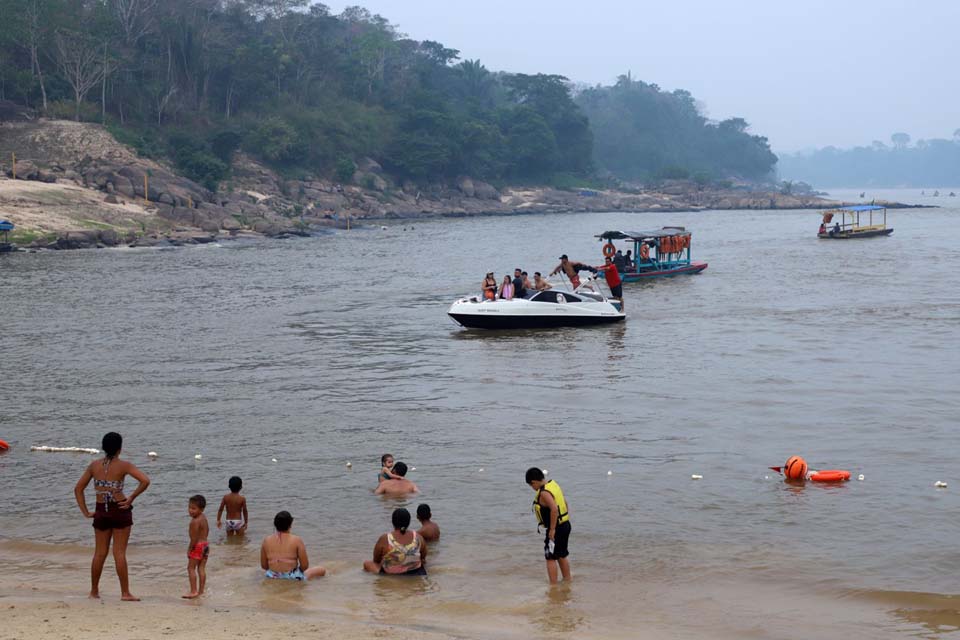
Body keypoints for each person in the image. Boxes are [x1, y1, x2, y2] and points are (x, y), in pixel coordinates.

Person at [74, 432, 150, 601]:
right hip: (120, 508)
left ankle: (94, 591)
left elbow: (78, 489)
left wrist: (85, 512)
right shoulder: (124, 465)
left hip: (101, 510)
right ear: (119, 449)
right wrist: (131, 497)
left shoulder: (94, 466)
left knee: (99, 553)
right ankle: (125, 593)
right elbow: (145, 480)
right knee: (119, 553)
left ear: (103, 447)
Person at [525, 468, 571, 585]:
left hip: (556, 529)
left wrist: (552, 529)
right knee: (561, 554)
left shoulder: (544, 493)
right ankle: (567, 580)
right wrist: (564, 519)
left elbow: (554, 509)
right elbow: (564, 502)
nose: (532, 488)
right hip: (565, 525)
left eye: (531, 485)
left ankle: (553, 586)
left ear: (534, 482)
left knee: (550, 557)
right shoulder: (553, 484)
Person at [260, 511, 326, 581]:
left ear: (275, 525)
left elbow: (264, 566)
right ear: (290, 524)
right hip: (292, 576)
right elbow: (305, 566)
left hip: (272, 575)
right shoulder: (297, 540)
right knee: (322, 570)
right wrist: (296, 571)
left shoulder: (266, 540)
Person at [363, 508, 428, 575]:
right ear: (409, 522)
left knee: (367, 564)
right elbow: (423, 558)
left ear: (393, 521)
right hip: (415, 572)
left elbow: (376, 560)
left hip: (391, 574)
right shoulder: (418, 537)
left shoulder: (385, 538)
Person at [183, 495, 209, 599]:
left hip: (197, 546)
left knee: (190, 568)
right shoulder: (204, 517)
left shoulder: (194, 522)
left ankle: (193, 591)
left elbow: (193, 539)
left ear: (201, 509)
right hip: (205, 545)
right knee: (201, 568)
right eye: (189, 507)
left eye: (194, 508)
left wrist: (189, 549)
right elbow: (207, 531)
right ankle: (201, 591)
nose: (190, 511)